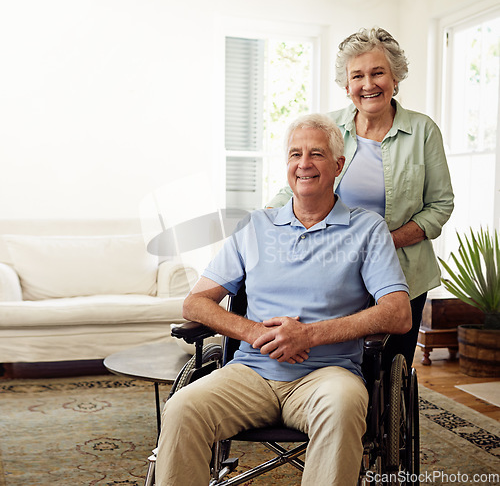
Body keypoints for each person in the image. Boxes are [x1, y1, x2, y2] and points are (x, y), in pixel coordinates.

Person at [156, 114, 411, 486]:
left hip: (328, 375)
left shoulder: (367, 229)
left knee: (342, 408)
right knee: (182, 408)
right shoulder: (255, 226)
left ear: (338, 166)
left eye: (317, 154)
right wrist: (255, 332)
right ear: (287, 165)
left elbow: (398, 313)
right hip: (251, 372)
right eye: (295, 154)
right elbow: (195, 303)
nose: (304, 164)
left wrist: (309, 336)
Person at [267, 27, 454, 369]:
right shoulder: (328, 127)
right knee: (333, 359)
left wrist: (380, 244)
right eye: (358, 76)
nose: (368, 84)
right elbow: (299, 179)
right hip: (333, 268)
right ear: (346, 85)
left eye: (378, 72)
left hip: (403, 271)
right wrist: (264, 219)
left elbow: (440, 206)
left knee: (387, 367)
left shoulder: (423, 131)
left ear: (395, 77)